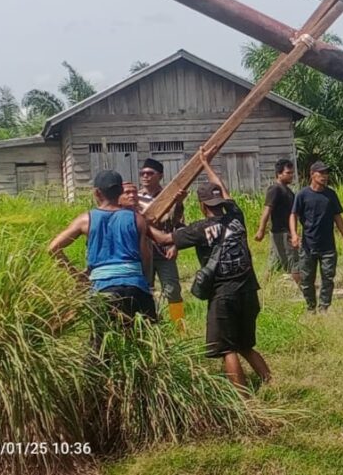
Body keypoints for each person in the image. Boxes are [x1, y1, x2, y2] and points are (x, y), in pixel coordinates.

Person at [148, 150, 271, 390]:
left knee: (227, 348)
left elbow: (163, 239)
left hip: (224, 295)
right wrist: (206, 165)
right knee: (246, 344)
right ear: (222, 203)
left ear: (202, 206)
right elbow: (223, 189)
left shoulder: (199, 229)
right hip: (249, 291)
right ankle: (270, 381)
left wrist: (141, 223)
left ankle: (243, 398)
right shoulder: (236, 217)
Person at [48, 170, 156, 323]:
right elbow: (146, 256)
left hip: (102, 288)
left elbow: (53, 248)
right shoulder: (136, 219)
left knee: (101, 342)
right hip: (135, 286)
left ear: (97, 193)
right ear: (120, 191)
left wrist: (76, 274)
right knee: (143, 339)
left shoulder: (86, 220)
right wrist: (143, 282)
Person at [290, 161, 343, 314]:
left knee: (328, 278)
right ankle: (311, 307)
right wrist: (294, 234)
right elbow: (293, 215)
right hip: (307, 246)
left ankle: (324, 307)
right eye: (321, 173)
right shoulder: (302, 195)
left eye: (326, 173)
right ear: (312, 174)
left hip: (328, 246)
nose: (325, 177)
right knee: (306, 280)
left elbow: (337, 216)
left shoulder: (330, 194)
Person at [137, 158, 185, 327]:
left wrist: (175, 244)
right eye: (143, 173)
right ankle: (149, 324)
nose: (145, 176)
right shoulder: (134, 198)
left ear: (160, 176)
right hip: (143, 252)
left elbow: (179, 225)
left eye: (150, 173)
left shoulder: (170, 197)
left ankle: (179, 326)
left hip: (164, 251)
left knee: (172, 290)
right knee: (145, 289)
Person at [255, 159, 300, 282]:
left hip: (284, 231)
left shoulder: (288, 191)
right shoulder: (275, 189)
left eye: (292, 173)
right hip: (282, 232)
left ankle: (265, 286)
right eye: (288, 173)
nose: (291, 175)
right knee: (294, 261)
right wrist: (261, 230)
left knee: (274, 262)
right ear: (279, 174)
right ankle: (303, 288)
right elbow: (267, 210)